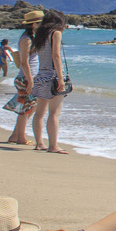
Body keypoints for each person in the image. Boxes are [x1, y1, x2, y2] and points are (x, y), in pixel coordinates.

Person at [28, 9, 70, 153]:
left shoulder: (40, 35)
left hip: (40, 76)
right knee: (54, 113)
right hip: (52, 77)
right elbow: (56, 56)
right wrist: (60, 78)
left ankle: (39, 143)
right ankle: (53, 145)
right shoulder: (55, 34)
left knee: (39, 113)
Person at [7, 9, 45, 147]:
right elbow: (24, 62)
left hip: (29, 77)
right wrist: (30, 81)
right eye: (41, 23)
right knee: (25, 109)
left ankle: (15, 135)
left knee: (29, 108)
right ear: (34, 25)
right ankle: (20, 138)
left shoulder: (31, 38)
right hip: (26, 78)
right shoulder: (26, 40)